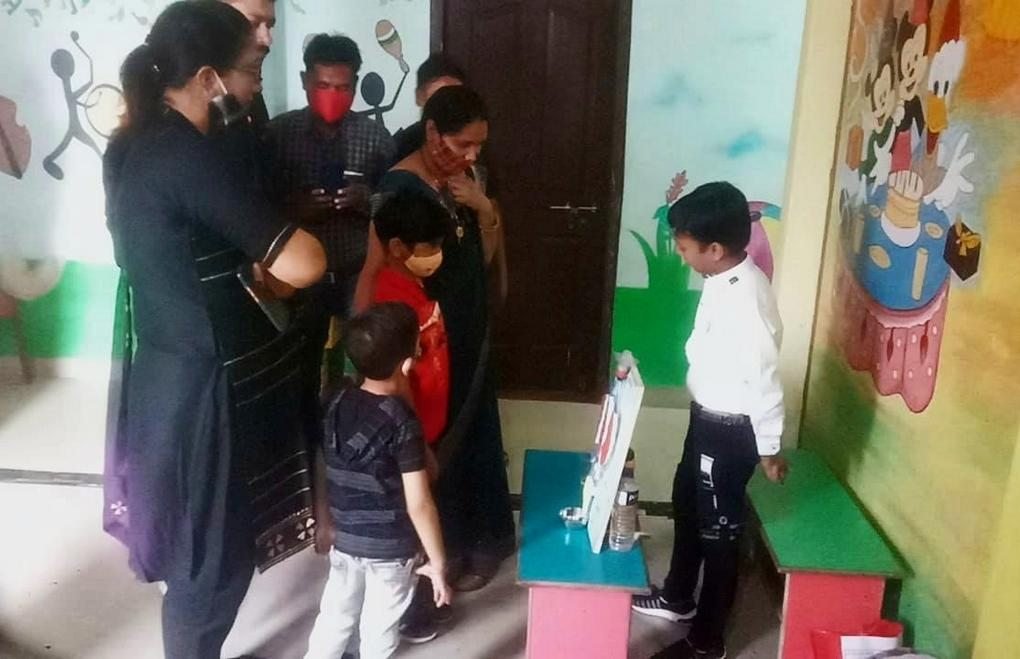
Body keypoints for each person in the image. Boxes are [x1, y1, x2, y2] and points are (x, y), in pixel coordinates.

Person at [101, 2, 326, 657]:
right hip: (205, 389)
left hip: (172, 372)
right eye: (250, 70)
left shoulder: (142, 145)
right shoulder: (186, 157)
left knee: (203, 554)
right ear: (209, 78)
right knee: (211, 566)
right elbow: (305, 261)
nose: (255, 84)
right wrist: (272, 261)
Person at [354, 86, 514, 642]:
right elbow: (374, 270)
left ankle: (475, 542)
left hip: (465, 331)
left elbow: (480, 259)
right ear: (430, 133)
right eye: (463, 143)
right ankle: (435, 561)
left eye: (478, 146)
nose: (472, 155)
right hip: (423, 343)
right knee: (430, 446)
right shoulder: (399, 189)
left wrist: (484, 208)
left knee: (473, 435)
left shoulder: (466, 180)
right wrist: (365, 345)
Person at [630, 182, 789, 659]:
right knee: (687, 504)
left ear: (714, 249)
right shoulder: (722, 277)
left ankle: (707, 641)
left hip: (730, 431)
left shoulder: (748, 297)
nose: (681, 257)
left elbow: (764, 376)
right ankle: (677, 597)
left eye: (684, 248)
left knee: (719, 537)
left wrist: (769, 447)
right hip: (706, 418)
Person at [304, 302, 452, 659]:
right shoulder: (401, 422)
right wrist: (439, 563)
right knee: (379, 629)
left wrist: (324, 518)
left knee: (335, 618)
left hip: (345, 540)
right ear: (407, 364)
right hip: (391, 549)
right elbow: (419, 503)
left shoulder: (335, 400)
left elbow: (323, 462)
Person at [266, 33, 396, 391]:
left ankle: (354, 422)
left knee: (367, 365)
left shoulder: (376, 138)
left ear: (355, 85)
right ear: (305, 80)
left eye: (342, 87)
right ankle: (307, 425)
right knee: (300, 367)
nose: (332, 95)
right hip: (300, 280)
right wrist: (295, 208)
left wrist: (365, 200)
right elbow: (258, 204)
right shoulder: (278, 135)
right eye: (323, 85)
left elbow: (395, 206)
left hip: (357, 272)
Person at [371, 192, 450, 447]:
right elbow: (398, 380)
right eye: (431, 246)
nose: (438, 254)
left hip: (428, 426)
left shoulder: (414, 284)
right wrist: (416, 443)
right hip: (411, 437)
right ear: (397, 247)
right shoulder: (389, 301)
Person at [392, 53, 467, 163]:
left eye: (455, 98)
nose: (447, 106)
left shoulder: (472, 141)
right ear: (419, 97)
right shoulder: (398, 148)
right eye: (439, 97)